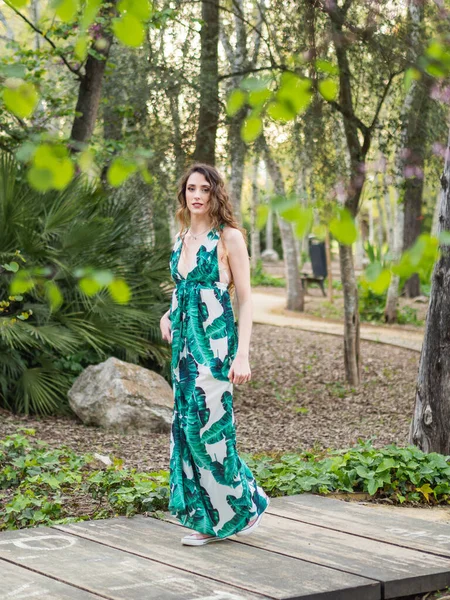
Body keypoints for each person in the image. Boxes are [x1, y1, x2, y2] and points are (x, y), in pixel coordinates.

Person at [159, 162, 270, 546]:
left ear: (215, 194)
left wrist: (243, 355)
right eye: (191, 188)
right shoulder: (181, 238)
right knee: (185, 432)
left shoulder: (229, 238)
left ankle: (225, 517)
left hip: (216, 350)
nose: (197, 195)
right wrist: (167, 314)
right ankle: (233, 507)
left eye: (205, 189)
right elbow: (184, 290)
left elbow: (246, 299)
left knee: (209, 432)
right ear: (183, 193)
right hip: (183, 352)